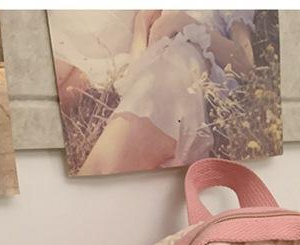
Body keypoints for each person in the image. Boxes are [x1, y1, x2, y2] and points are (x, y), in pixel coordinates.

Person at [50, 10, 256, 175]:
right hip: (150, 76)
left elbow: (245, 63)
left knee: (104, 171)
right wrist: (142, 24)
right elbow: (135, 70)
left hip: (186, 67)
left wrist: (182, 21)